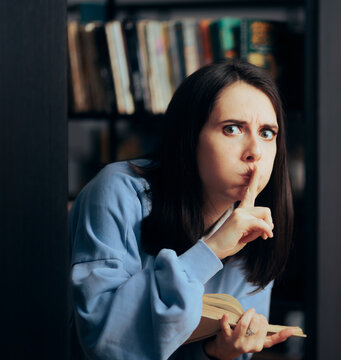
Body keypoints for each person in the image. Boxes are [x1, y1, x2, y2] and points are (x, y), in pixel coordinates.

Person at [69, 60, 296, 360]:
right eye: (232, 129)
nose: (255, 151)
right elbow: (106, 345)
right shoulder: (117, 192)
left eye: (267, 133)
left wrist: (216, 352)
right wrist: (210, 251)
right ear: (190, 139)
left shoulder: (256, 219)